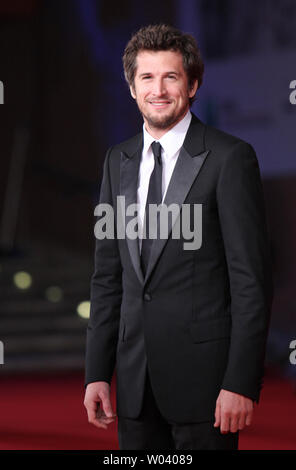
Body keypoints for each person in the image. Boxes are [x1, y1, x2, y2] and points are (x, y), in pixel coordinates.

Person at [83, 24, 273, 450]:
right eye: (147, 78)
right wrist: (97, 371)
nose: (159, 90)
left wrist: (241, 381)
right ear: (132, 88)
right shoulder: (118, 161)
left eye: (171, 77)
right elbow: (107, 276)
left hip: (207, 388)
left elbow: (250, 281)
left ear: (193, 85)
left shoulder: (230, 158)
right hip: (134, 388)